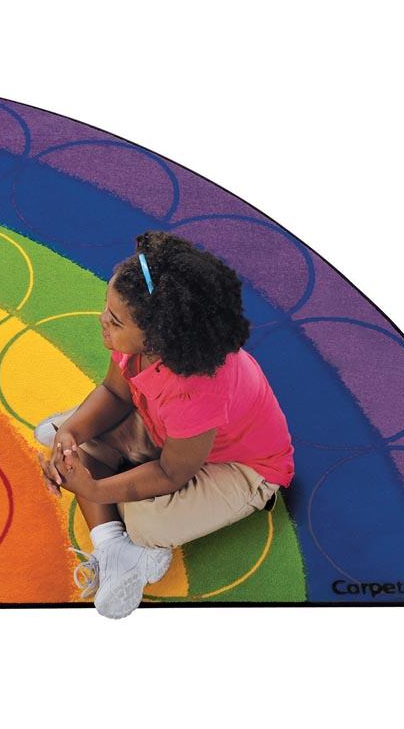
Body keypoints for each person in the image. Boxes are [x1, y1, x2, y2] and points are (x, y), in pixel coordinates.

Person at [37, 231, 294, 619]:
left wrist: (93, 489)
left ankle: (132, 543)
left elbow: (172, 471)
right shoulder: (134, 347)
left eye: (116, 320)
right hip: (165, 430)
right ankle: (113, 549)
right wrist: (73, 432)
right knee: (69, 443)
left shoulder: (196, 391)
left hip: (241, 467)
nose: (102, 321)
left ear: (158, 338)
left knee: (145, 522)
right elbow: (115, 391)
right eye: (107, 308)